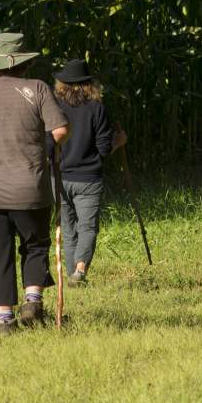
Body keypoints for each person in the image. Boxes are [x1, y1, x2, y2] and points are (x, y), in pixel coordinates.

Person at [0, 32, 69, 334]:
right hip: (29, 186)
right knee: (34, 244)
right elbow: (60, 129)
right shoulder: (37, 89)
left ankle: (4, 319)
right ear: (23, 64)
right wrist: (43, 149)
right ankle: (32, 300)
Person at [50, 58, 127, 286]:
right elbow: (103, 148)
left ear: (62, 84)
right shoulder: (97, 108)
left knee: (68, 225)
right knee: (87, 226)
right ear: (89, 84)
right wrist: (119, 142)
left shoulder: (54, 108)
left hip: (59, 176)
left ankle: (72, 272)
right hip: (89, 178)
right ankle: (79, 269)